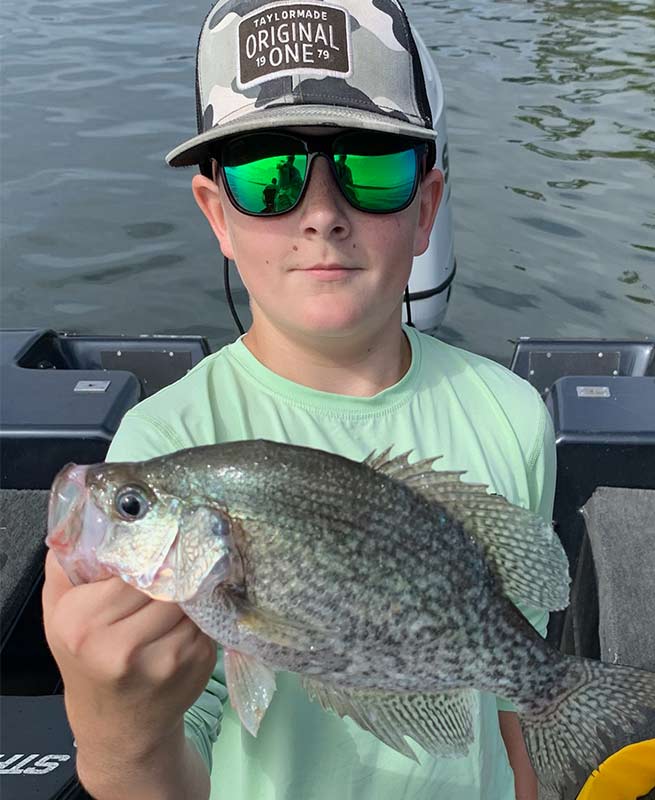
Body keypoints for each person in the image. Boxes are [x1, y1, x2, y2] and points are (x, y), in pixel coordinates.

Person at [41, 1, 556, 799]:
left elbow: (516, 708)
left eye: (371, 168)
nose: (321, 215)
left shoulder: (513, 415)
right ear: (216, 212)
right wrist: (116, 731)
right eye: (267, 174)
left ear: (427, 209)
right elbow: (175, 765)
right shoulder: (167, 432)